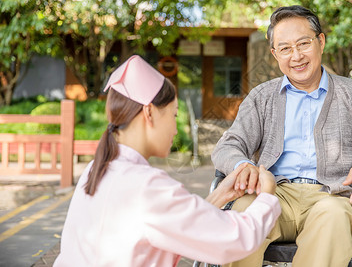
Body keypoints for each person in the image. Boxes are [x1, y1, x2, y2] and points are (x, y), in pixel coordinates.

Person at [54, 55, 281, 267]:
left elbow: (174, 226)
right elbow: (234, 240)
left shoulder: (98, 168)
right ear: (149, 112)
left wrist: (221, 194)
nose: (174, 129)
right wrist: (267, 195)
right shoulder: (146, 186)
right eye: (173, 115)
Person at [212, 5, 352, 267]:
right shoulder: (262, 97)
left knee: (334, 216)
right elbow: (229, 145)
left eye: (303, 44)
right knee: (243, 212)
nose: (296, 56)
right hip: (274, 194)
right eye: (285, 48)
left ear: (320, 41)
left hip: (331, 196)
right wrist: (244, 166)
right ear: (275, 54)